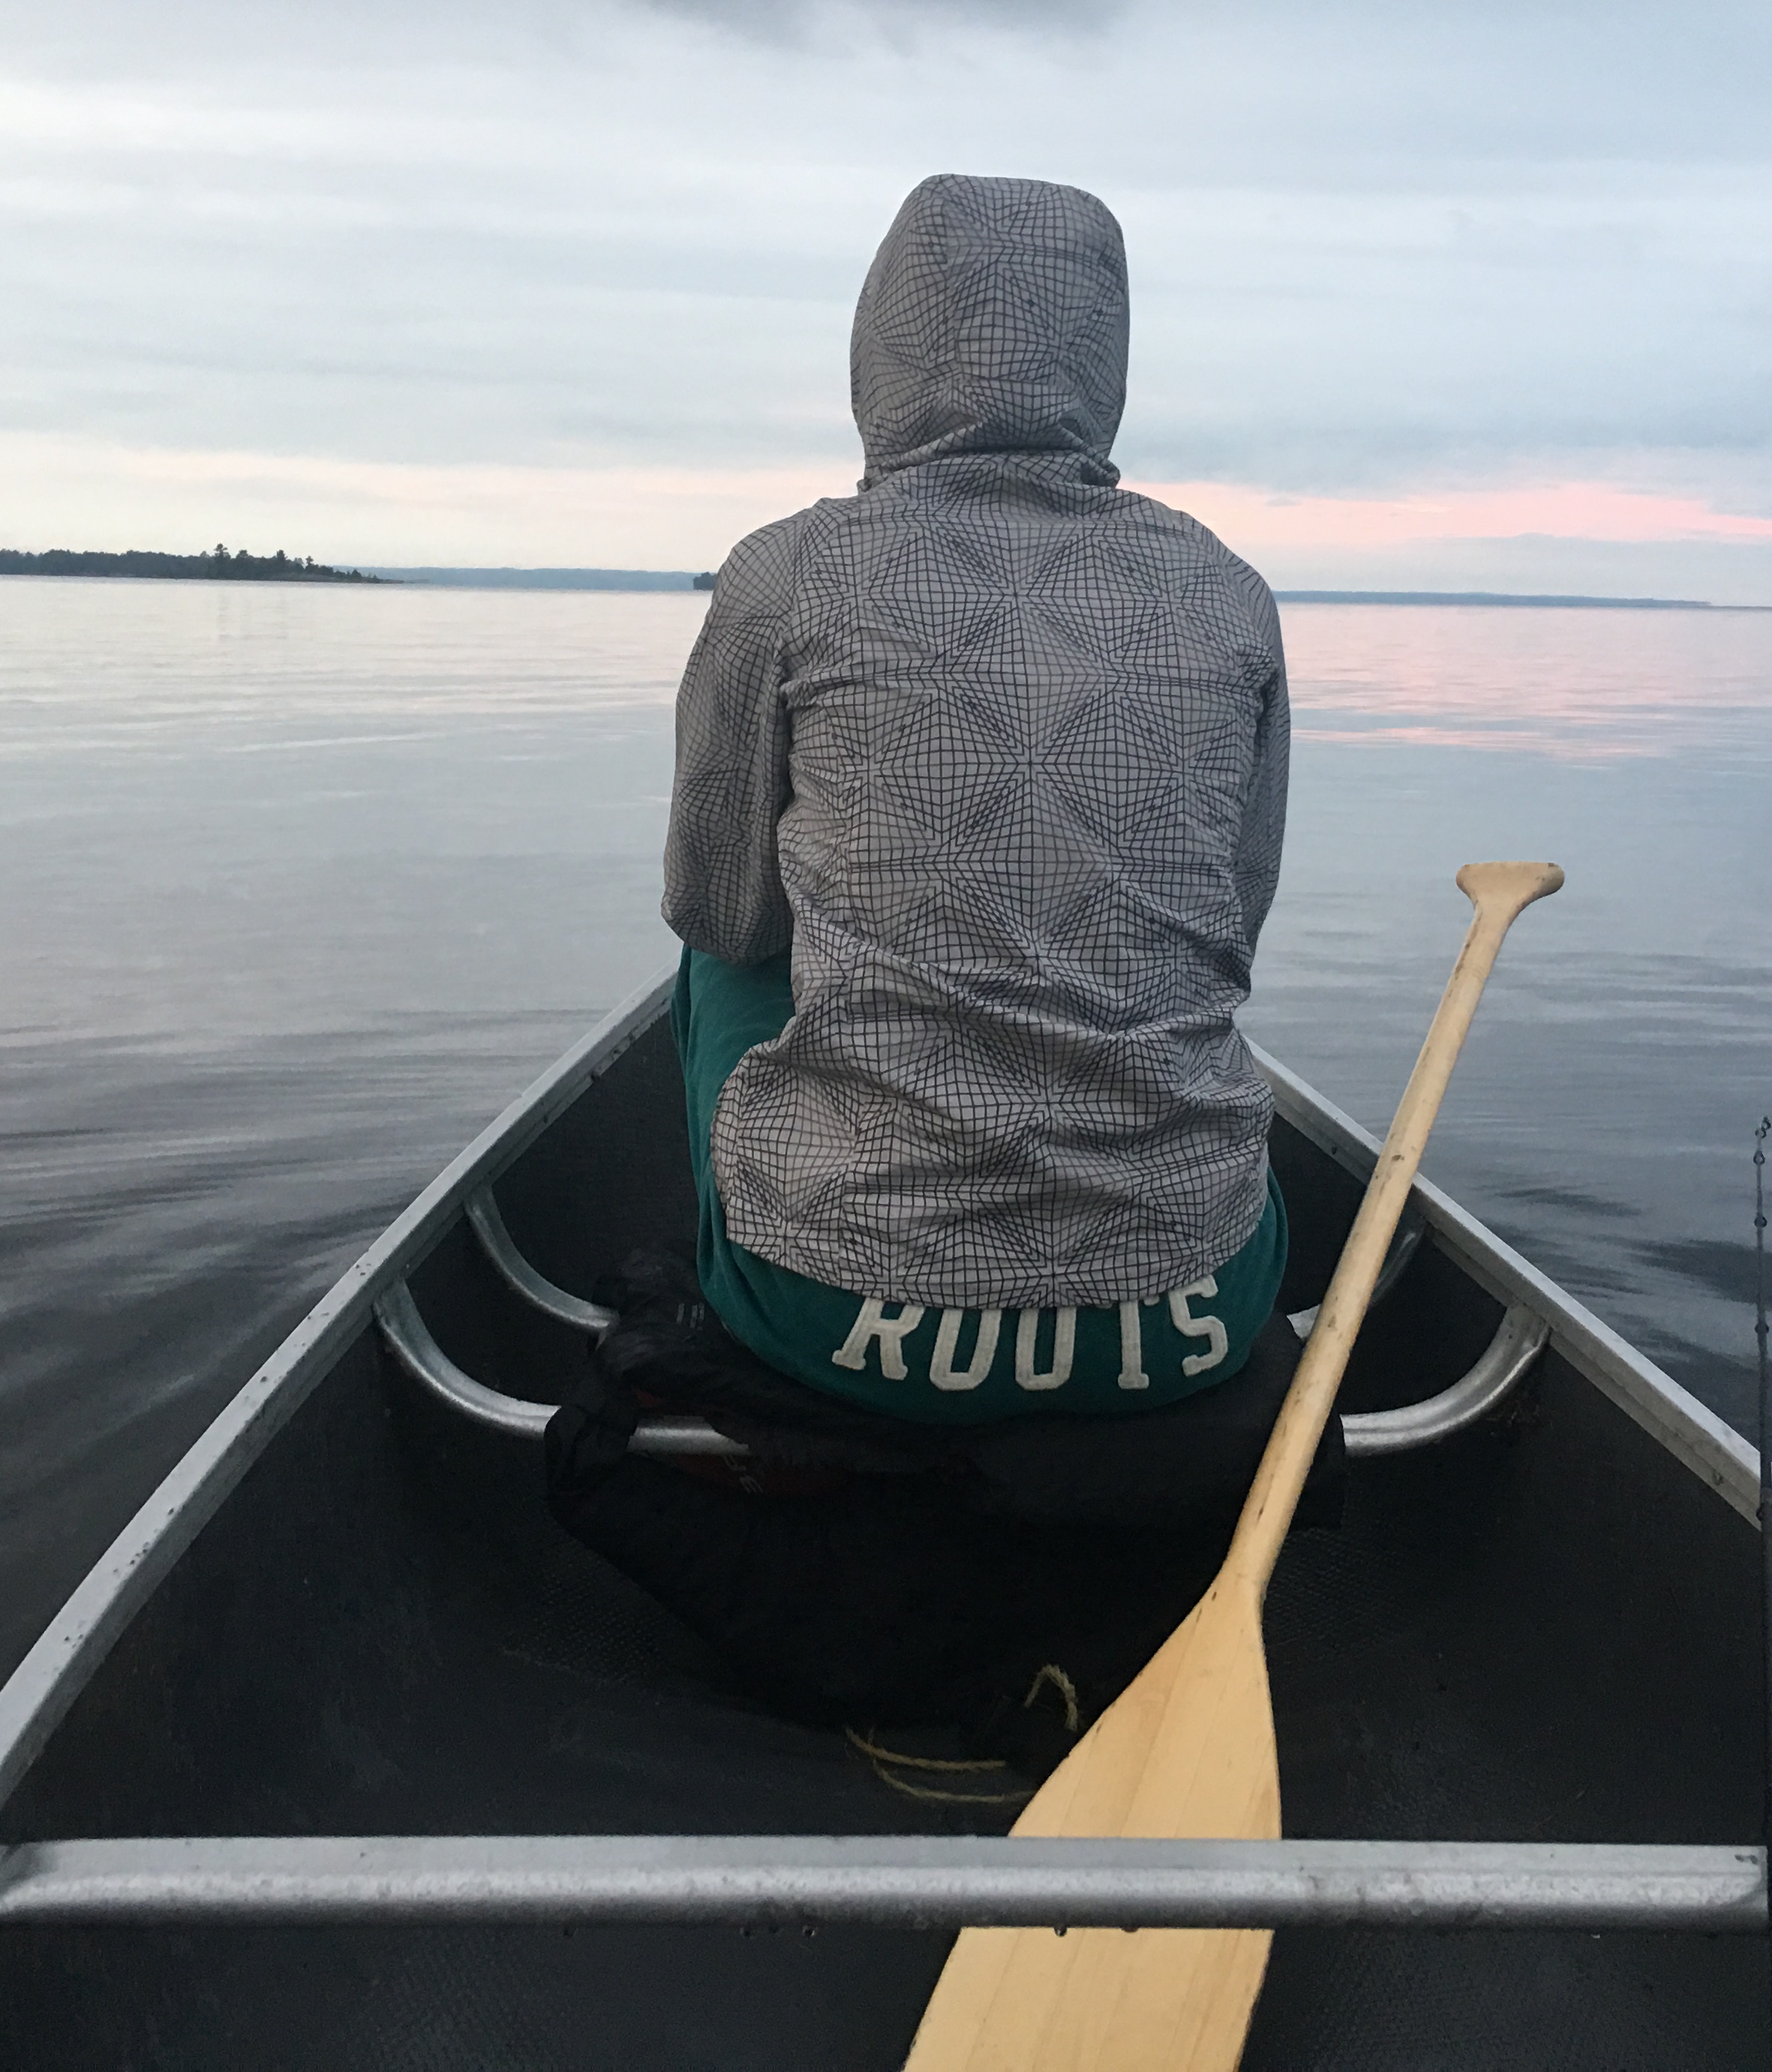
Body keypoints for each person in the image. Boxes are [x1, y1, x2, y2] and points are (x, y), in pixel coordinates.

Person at [550, 173, 1316, 1745]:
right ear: (1103, 354)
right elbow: (1232, 931)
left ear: (879, 348)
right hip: (1196, 1315)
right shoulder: (1231, 592)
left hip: (846, 1324)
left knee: (726, 955)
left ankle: (768, 1294)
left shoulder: (787, 577)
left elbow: (716, 911)